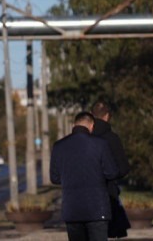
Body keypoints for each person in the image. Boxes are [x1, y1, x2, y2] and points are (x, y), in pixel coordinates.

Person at [51, 111, 119, 241]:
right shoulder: (100, 144)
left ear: (74, 125)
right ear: (91, 126)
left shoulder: (59, 146)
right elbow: (112, 172)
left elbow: (54, 178)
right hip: (97, 209)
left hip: (72, 209)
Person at [91, 101, 131, 238]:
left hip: (87, 196)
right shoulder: (112, 139)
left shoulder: (86, 138)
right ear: (107, 116)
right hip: (109, 193)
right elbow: (124, 167)